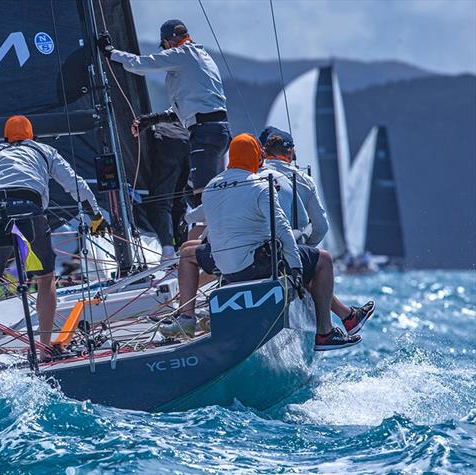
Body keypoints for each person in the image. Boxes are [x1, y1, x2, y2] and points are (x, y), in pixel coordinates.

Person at [167, 134, 369, 349]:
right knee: (324, 259)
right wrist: (296, 268)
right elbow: (282, 228)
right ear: (256, 156)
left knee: (187, 254)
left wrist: (184, 219)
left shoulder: (212, 187)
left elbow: (199, 214)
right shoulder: (261, 186)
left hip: (222, 267)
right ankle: (325, 334)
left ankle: (186, 318)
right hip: (255, 265)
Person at [0, 115, 108, 372]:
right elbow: (75, 184)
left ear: (6, 139)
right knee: (46, 278)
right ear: (31, 136)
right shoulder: (44, 150)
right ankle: (44, 348)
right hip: (29, 210)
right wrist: (95, 215)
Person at [98, 19, 231, 239]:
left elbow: (142, 64)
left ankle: (209, 253)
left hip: (205, 133)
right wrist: (152, 119)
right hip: (216, 131)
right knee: (211, 196)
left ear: (169, 42)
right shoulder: (201, 56)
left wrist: (110, 52)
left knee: (203, 199)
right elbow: (189, 105)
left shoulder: (183, 54)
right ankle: (212, 248)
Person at [260, 127, 374, 334]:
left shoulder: (249, 178)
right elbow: (321, 227)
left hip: (245, 256)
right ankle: (327, 330)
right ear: (290, 153)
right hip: (281, 255)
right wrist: (307, 248)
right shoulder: (301, 179)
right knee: (320, 262)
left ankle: (349, 316)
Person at [139, 119, 191, 258]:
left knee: (161, 201)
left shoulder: (160, 121)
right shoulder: (182, 114)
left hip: (167, 143)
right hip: (190, 140)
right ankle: (182, 248)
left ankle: (168, 253)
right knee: (180, 200)